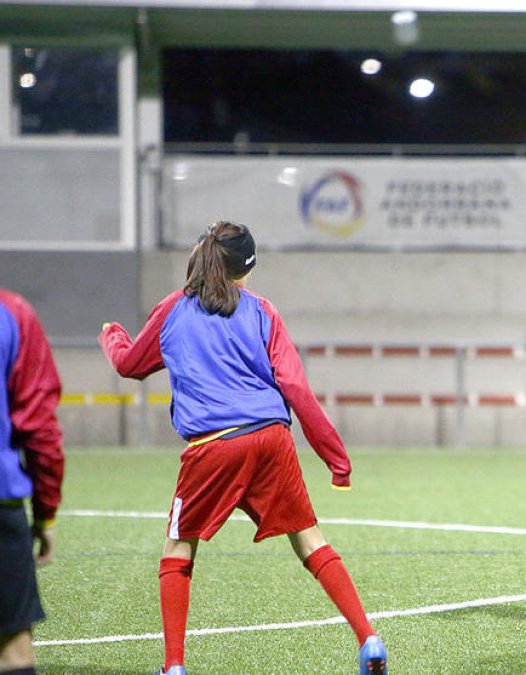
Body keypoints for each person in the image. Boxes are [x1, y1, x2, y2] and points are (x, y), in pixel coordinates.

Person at [98, 222, 387, 675]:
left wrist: (113, 336)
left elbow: (132, 365)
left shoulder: (174, 309)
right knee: (310, 538)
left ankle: (174, 667)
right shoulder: (262, 311)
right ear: (244, 270)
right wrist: (335, 457)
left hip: (213, 445)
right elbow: (295, 386)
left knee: (179, 546)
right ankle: (368, 638)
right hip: (272, 438)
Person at [0, 289, 64, 675]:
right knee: (13, 652)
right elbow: (40, 428)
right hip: (2, 503)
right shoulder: (12, 312)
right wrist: (45, 514)